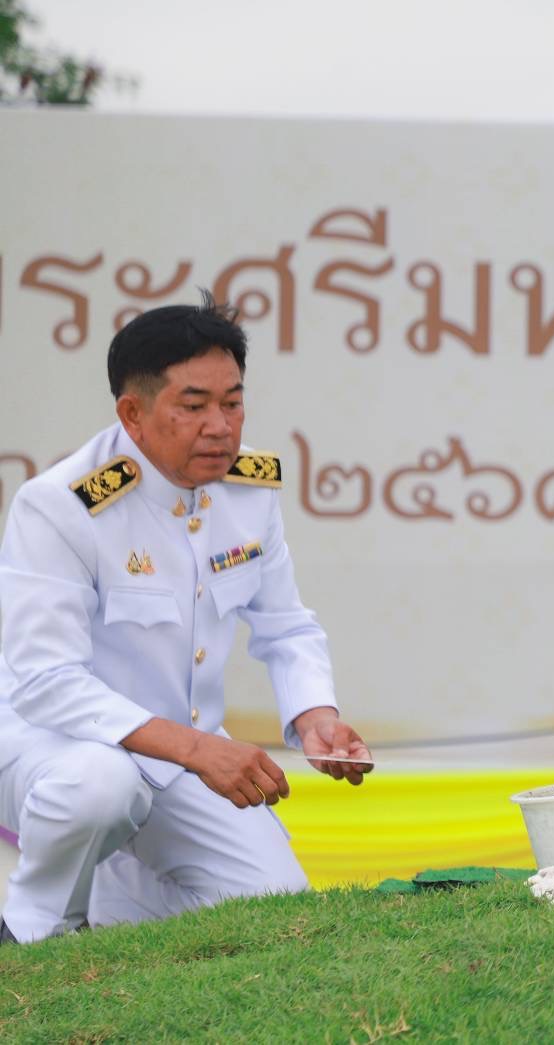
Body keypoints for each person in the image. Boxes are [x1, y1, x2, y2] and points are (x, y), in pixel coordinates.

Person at [0, 294, 372, 945]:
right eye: (193, 406)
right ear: (133, 414)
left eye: (233, 402)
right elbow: (45, 682)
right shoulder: (59, 505)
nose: (220, 427)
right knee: (103, 785)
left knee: (272, 913)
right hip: (51, 746)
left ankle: (107, 915)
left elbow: (286, 625)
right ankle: (32, 932)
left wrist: (318, 718)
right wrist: (201, 749)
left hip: (178, 756)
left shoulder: (248, 490)